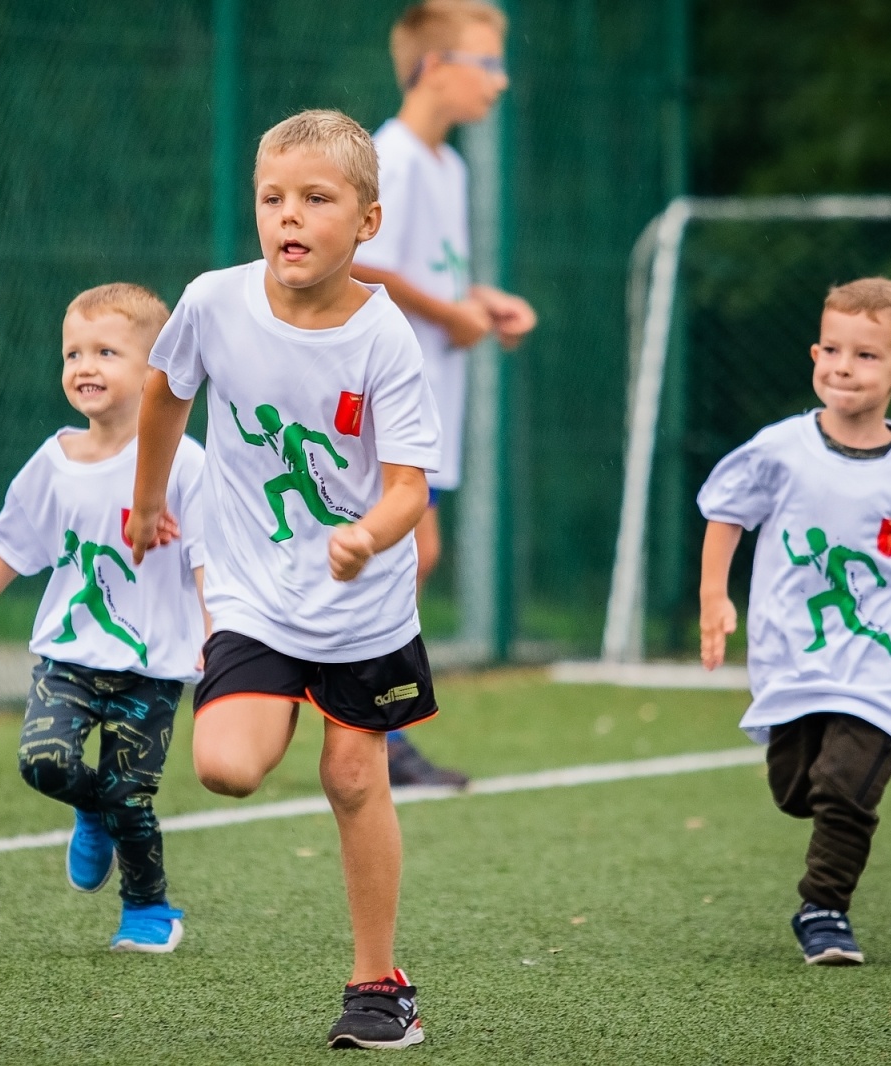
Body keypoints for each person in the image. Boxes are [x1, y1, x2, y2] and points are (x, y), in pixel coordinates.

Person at [130, 110, 441, 1049]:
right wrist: (147, 502)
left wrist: (366, 537)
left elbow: (409, 489)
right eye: (273, 199)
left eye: (316, 198)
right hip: (256, 593)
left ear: (367, 223)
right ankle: (283, 687)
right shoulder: (214, 302)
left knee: (354, 780)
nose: (290, 218)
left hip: (364, 608)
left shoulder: (386, 341)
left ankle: (379, 986)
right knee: (226, 767)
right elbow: (165, 390)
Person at [697, 277, 891, 966]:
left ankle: (824, 910)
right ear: (815, 353)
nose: (843, 367)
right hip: (793, 660)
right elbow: (727, 513)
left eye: (866, 356)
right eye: (833, 350)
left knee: (844, 786)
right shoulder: (781, 449)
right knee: (797, 792)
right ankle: (829, 849)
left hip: (882, 667)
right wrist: (714, 598)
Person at [0, 283, 206, 953]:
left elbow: (211, 554)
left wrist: (218, 633)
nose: (83, 367)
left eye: (105, 352)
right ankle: (87, 812)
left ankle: (149, 909)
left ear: (157, 372)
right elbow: (17, 541)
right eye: (72, 353)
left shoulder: (185, 462)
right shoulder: (54, 460)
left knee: (131, 795)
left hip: (150, 669)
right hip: (67, 658)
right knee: (43, 761)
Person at [352, 0, 537, 788]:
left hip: (432, 401)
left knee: (406, 556)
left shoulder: (449, 165)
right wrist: (451, 311)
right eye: (487, 65)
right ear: (434, 68)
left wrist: (479, 300)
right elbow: (368, 269)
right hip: (390, 402)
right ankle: (374, 730)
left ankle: (366, 721)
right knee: (410, 552)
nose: (500, 83)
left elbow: (430, 275)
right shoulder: (388, 157)